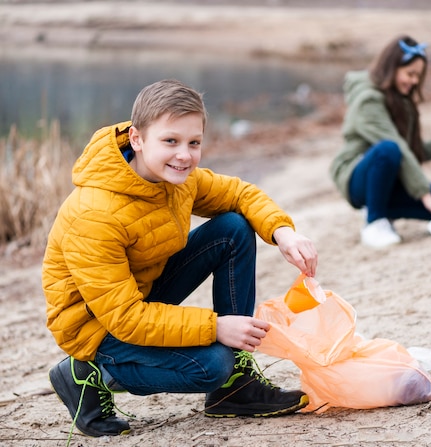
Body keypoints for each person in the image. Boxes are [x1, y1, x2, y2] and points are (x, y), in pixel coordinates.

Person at [42, 79, 318, 438]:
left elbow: (239, 193)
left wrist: (283, 232)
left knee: (233, 227)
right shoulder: (94, 215)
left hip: (141, 295)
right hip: (99, 326)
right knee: (211, 365)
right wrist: (216, 327)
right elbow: (124, 318)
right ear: (137, 139)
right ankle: (87, 373)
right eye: (170, 141)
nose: (184, 155)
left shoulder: (176, 178)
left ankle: (234, 388)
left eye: (194, 143)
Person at [330, 35, 431, 249]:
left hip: (391, 174)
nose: (415, 81)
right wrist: (425, 196)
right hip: (356, 177)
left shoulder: (399, 98)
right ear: (392, 68)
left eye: (418, 76)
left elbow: (409, 149)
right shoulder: (368, 101)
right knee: (388, 150)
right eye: (410, 74)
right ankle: (374, 221)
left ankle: (381, 203)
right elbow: (396, 147)